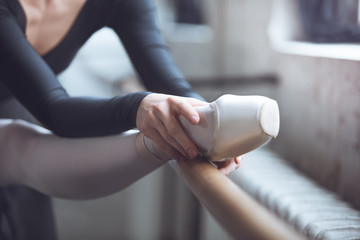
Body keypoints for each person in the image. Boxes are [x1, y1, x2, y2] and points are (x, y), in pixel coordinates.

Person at [0, 0, 242, 239]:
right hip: (14, 118)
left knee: (28, 216)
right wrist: (137, 106)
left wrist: (212, 121)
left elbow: (170, 85)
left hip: (8, 105)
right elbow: (54, 109)